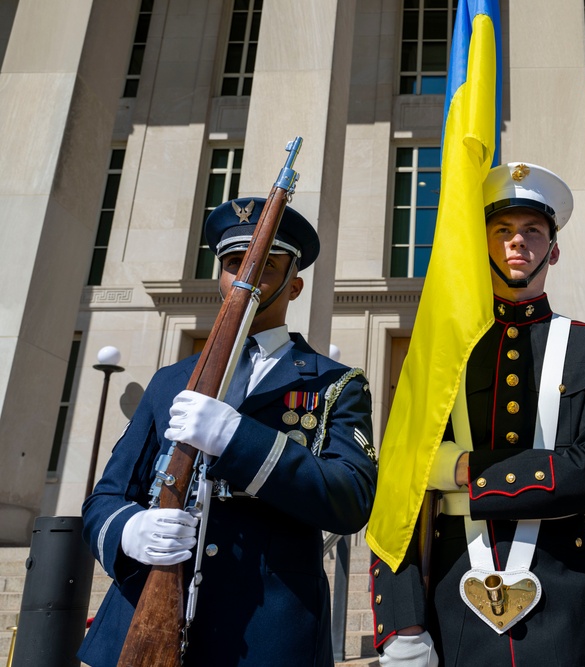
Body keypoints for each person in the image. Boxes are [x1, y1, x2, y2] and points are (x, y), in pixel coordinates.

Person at [79, 197, 378, 666]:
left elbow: (350, 498)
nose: (245, 277)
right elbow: (107, 497)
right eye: (234, 263)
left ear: (294, 286)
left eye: (264, 265)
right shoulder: (173, 379)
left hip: (268, 634)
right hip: (143, 623)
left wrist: (238, 440)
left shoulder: (334, 383)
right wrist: (130, 531)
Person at [370, 163, 585, 666]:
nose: (518, 242)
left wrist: (460, 470)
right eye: (502, 230)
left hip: (560, 595)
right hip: (451, 596)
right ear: (483, 244)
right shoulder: (442, 349)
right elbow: (400, 490)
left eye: (533, 232)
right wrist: (402, 623)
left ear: (553, 250)